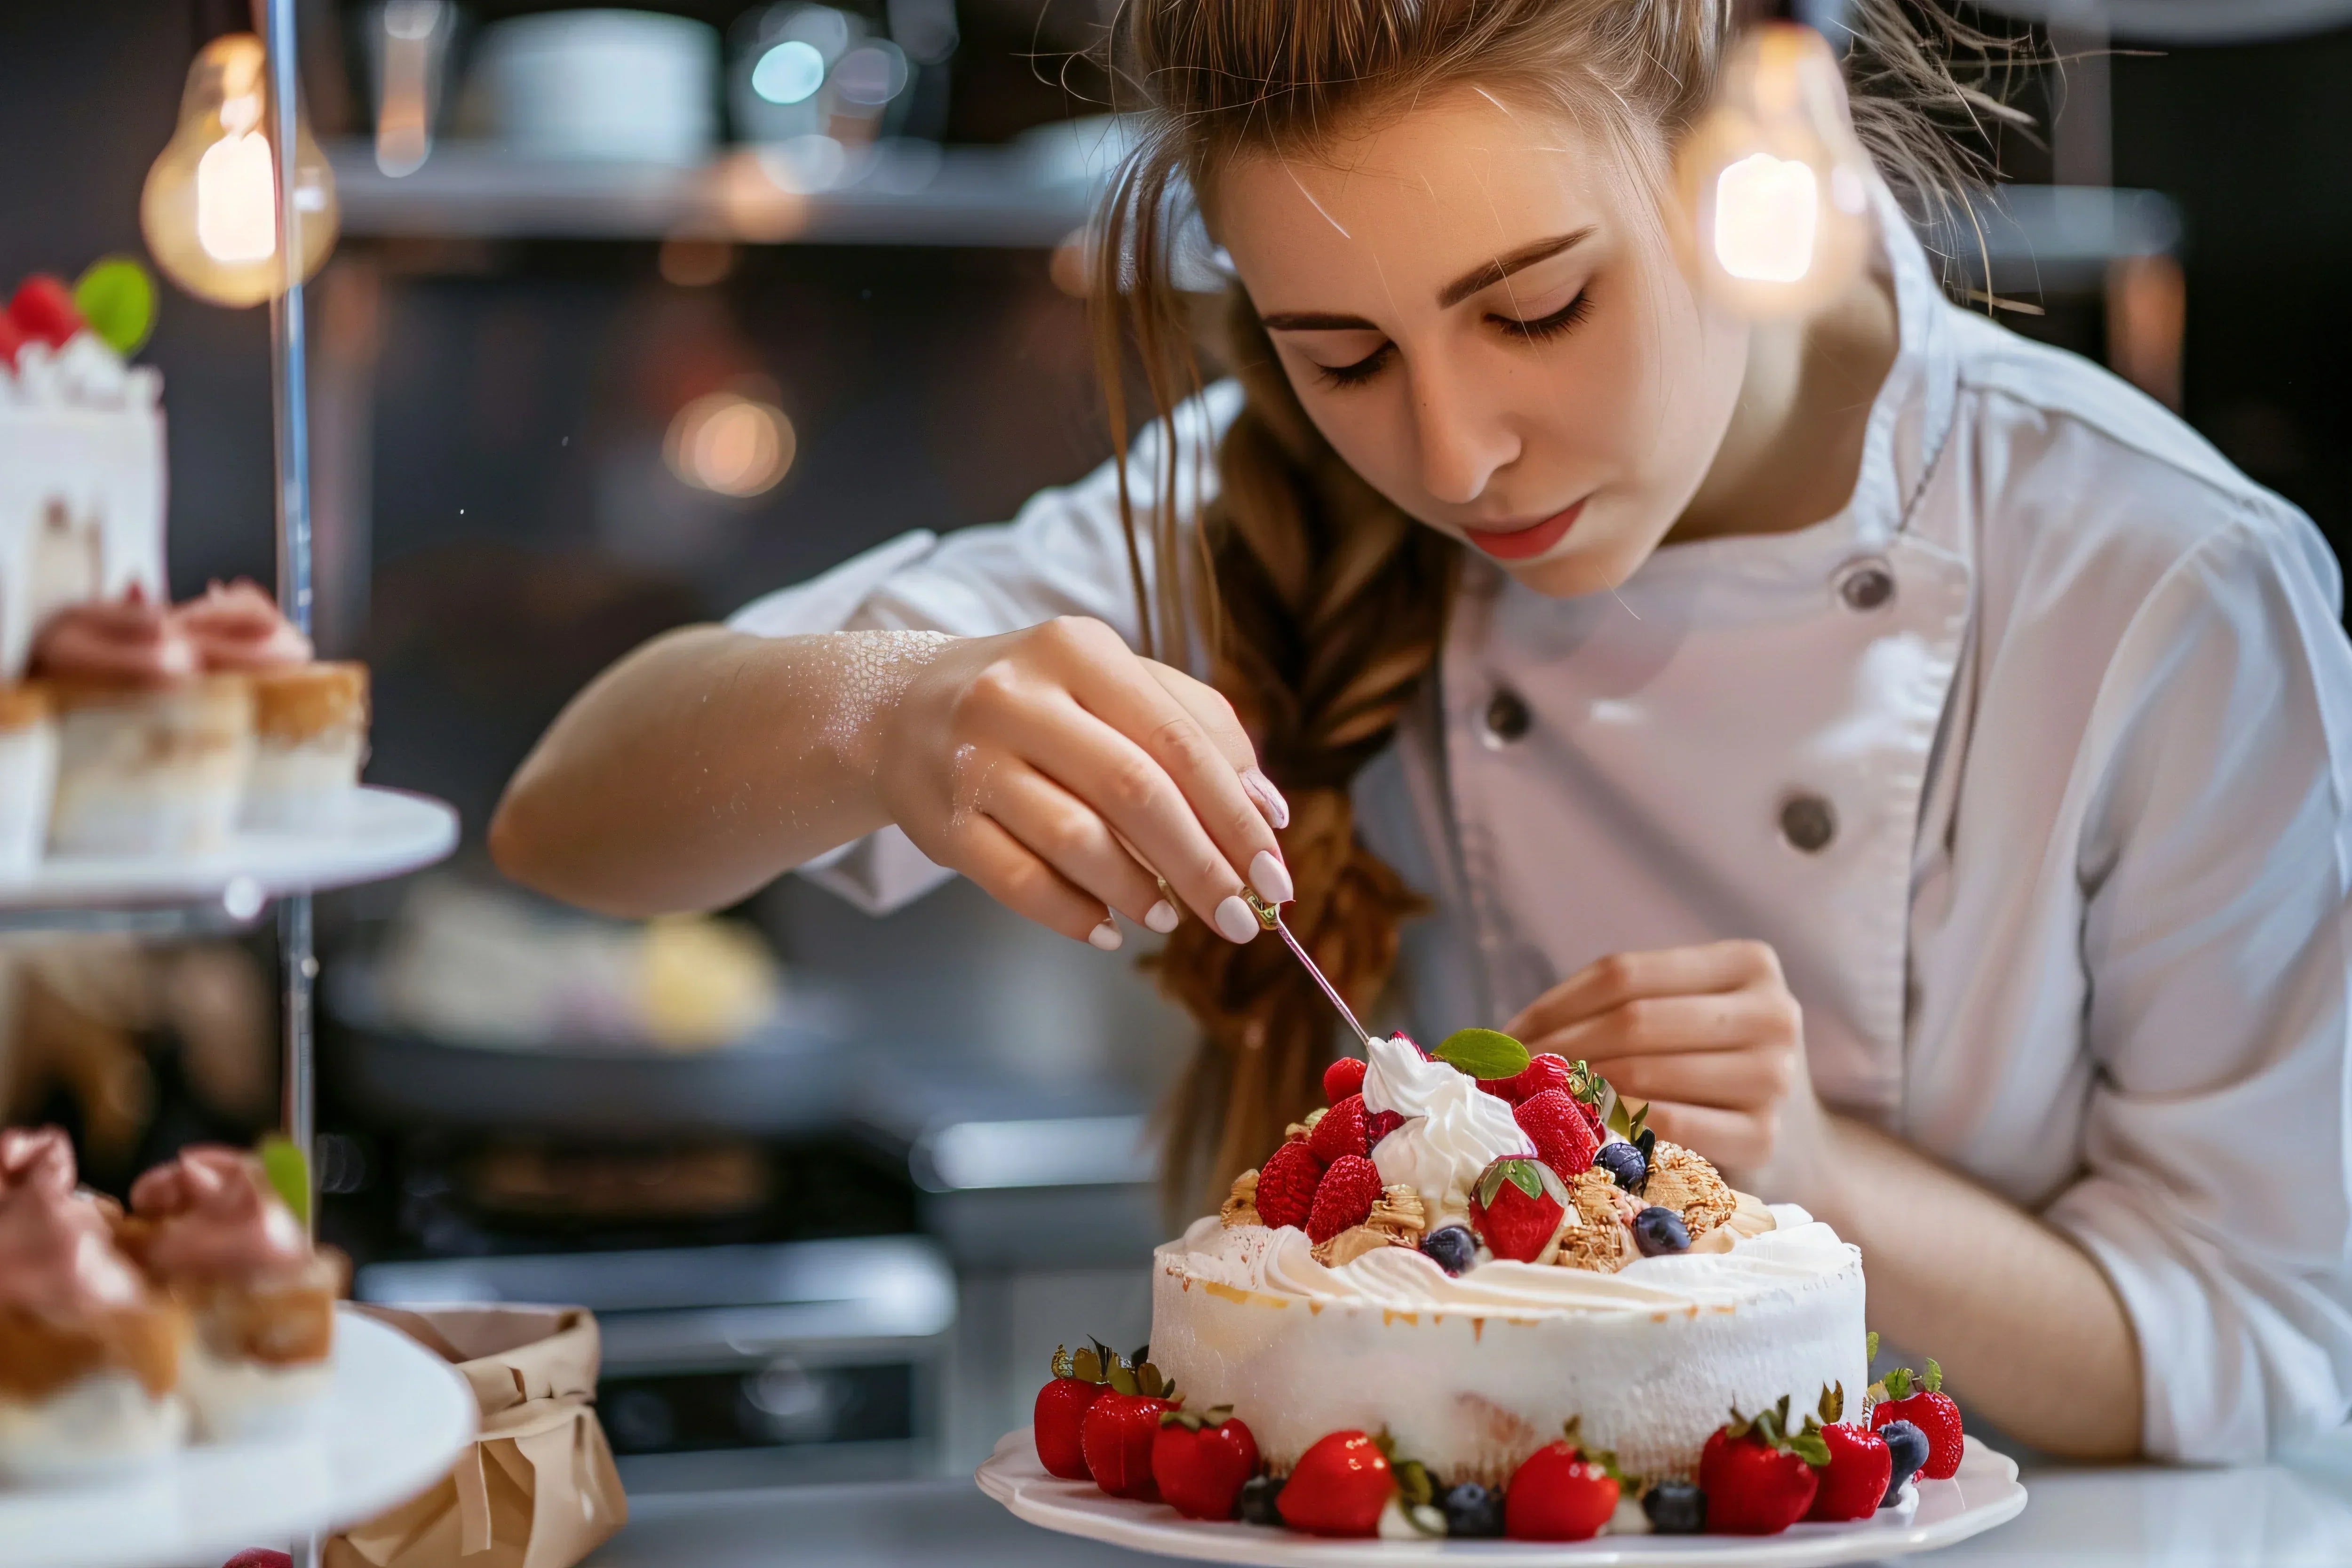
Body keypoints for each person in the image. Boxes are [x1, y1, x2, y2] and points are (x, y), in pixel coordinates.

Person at [489, 0, 2352, 1465]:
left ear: (1747, 150)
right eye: (1342, 352)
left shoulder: (2158, 588)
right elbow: (568, 819)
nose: (1452, 455)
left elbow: (2261, 1355)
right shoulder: (1272, 498)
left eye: (1534, 307)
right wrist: (878, 715)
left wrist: (1807, 1179)